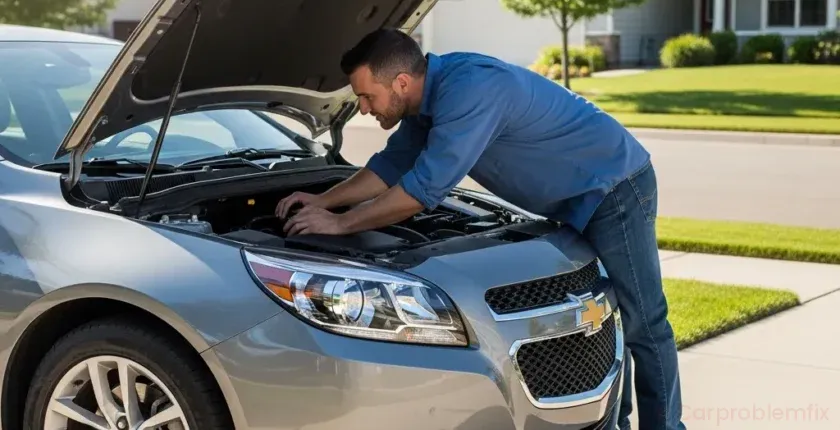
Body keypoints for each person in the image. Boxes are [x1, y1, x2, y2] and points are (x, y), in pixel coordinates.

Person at [275, 28, 685, 430]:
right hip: (574, 195)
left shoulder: (471, 90)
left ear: (401, 82)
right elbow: (389, 167)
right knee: (603, 312)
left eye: (367, 96)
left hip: (614, 186)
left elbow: (421, 191)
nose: (363, 108)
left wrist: (342, 223)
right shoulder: (424, 103)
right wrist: (324, 201)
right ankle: (618, 422)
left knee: (644, 322)